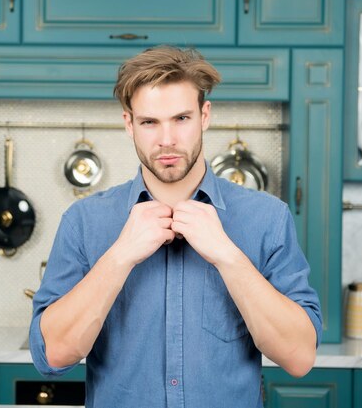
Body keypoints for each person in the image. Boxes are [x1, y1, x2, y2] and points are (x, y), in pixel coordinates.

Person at [29, 45, 322, 408]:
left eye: (181, 119)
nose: (166, 139)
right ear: (128, 124)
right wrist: (119, 256)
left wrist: (228, 257)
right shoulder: (83, 222)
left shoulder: (268, 219)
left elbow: (299, 357)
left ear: (205, 115)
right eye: (149, 122)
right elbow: (52, 356)